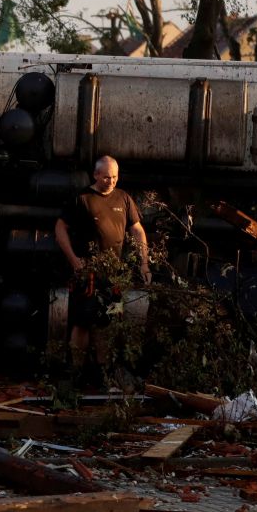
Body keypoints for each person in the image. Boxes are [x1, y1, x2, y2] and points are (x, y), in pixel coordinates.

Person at [53, 155, 150, 379]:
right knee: (82, 322)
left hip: (113, 276)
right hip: (87, 275)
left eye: (115, 177)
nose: (111, 181)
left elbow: (137, 230)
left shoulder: (124, 198)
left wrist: (144, 263)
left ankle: (102, 371)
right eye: (106, 177)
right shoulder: (82, 198)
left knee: (107, 321)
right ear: (96, 175)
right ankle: (76, 371)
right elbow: (60, 229)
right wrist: (74, 260)